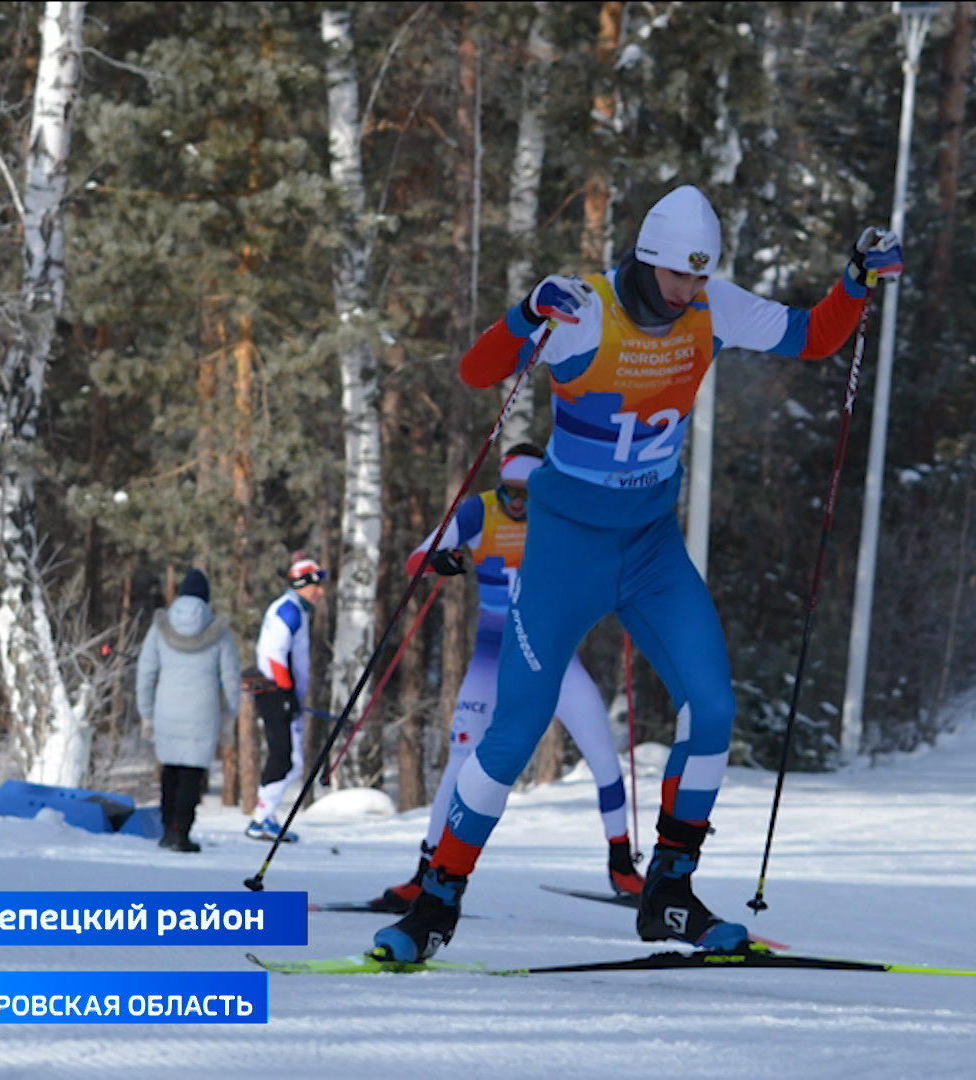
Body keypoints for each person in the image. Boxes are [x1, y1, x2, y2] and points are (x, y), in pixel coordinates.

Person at [371, 184, 900, 962]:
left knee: (711, 708)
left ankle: (669, 893)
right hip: (563, 550)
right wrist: (526, 313)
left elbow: (815, 337)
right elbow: (479, 370)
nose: (687, 291)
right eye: (676, 276)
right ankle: (435, 903)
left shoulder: (713, 307)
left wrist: (853, 280)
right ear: (647, 259)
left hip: (650, 548)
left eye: (699, 276)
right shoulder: (584, 312)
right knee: (514, 729)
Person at [377, 444, 642, 914]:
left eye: (527, 495)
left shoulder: (561, 513)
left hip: (555, 661)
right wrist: (438, 560)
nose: (517, 505)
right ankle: (425, 873)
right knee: (461, 759)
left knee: (604, 757)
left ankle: (623, 867)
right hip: (492, 660)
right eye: (509, 494)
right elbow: (416, 558)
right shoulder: (481, 509)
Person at [136, 568, 241, 852]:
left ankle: (167, 830)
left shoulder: (160, 626)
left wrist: (146, 713)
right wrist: (230, 718)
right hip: (202, 712)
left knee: (170, 771)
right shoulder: (218, 631)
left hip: (166, 708)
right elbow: (231, 677)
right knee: (191, 776)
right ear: (207, 599)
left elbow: (145, 672)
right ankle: (182, 831)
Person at [248, 553, 328, 842]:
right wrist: (285, 692)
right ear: (302, 584)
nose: (320, 591)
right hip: (276, 691)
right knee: (285, 758)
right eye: (316, 585)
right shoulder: (289, 611)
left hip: (280, 691)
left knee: (287, 758)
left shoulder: (293, 609)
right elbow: (274, 654)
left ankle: (264, 816)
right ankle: (260, 819)